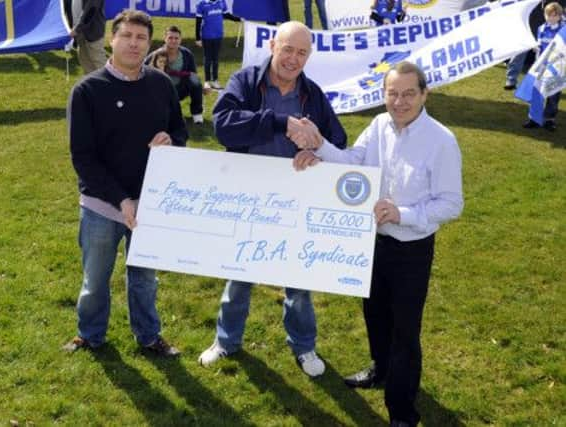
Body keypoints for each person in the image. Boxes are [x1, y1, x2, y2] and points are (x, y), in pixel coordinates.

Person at [293, 62, 463, 426]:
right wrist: (320, 147)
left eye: (408, 94)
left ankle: (402, 413)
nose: (399, 102)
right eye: (392, 93)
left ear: (424, 94)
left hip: (411, 249)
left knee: (405, 330)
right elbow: (355, 161)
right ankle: (381, 369)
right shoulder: (378, 126)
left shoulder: (441, 140)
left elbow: (452, 203)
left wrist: (401, 213)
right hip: (371, 242)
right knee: (374, 314)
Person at [198, 21, 347, 377]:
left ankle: (304, 346)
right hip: (249, 196)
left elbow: (338, 141)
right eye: (287, 49)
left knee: (298, 280)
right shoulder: (246, 81)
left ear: (308, 56)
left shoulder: (312, 93)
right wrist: (281, 122)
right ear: (272, 47)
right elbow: (223, 125)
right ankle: (226, 340)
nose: (293, 59)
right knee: (239, 275)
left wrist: (319, 154)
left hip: (296, 198)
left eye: (301, 53)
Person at [64, 10, 188, 356]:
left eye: (141, 38)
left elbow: (180, 132)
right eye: (127, 36)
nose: (134, 44)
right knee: (95, 278)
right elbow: (83, 158)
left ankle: (149, 336)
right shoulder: (88, 91)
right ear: (112, 40)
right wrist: (121, 200)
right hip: (102, 205)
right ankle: (90, 334)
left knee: (145, 278)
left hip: (150, 202)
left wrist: (172, 141)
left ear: (150, 44)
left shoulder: (161, 84)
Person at [146, 26, 206, 124]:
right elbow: (143, 69)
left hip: (180, 89)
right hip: (161, 91)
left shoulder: (187, 54)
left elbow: (193, 74)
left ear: (180, 40)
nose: (173, 41)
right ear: (165, 38)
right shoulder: (157, 54)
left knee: (194, 79)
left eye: (176, 38)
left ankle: (197, 113)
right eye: (170, 38)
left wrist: (201, 87)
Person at [522, 1, 565, 131]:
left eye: (554, 15)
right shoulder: (541, 28)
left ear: (559, 16)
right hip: (540, 66)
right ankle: (534, 118)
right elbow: (540, 44)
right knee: (537, 92)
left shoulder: (563, 30)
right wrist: (536, 48)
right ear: (545, 15)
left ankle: (549, 120)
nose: (551, 18)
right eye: (548, 15)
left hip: (557, 67)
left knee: (553, 94)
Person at [195, 0, 240, 90]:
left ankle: (215, 80)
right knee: (208, 59)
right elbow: (198, 22)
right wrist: (198, 38)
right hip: (207, 36)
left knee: (215, 59)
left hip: (218, 35)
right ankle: (207, 81)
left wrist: (238, 19)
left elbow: (226, 15)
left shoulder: (221, 2)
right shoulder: (202, 4)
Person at [69, 0, 107, 74]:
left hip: (92, 32)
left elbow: (91, 10)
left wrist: (77, 29)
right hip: (80, 32)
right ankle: (92, 83)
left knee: (98, 61)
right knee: (85, 60)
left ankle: (108, 84)